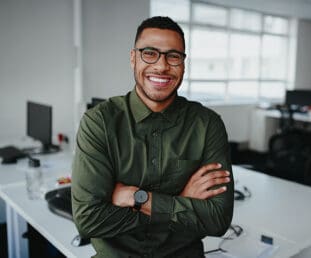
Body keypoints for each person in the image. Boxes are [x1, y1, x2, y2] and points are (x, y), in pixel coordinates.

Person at [71, 16, 234, 258]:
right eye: (150, 53)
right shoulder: (100, 122)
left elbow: (218, 220)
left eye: (173, 56)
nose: (161, 66)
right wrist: (180, 202)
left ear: (184, 64)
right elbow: (88, 220)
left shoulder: (207, 124)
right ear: (133, 58)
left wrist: (138, 198)